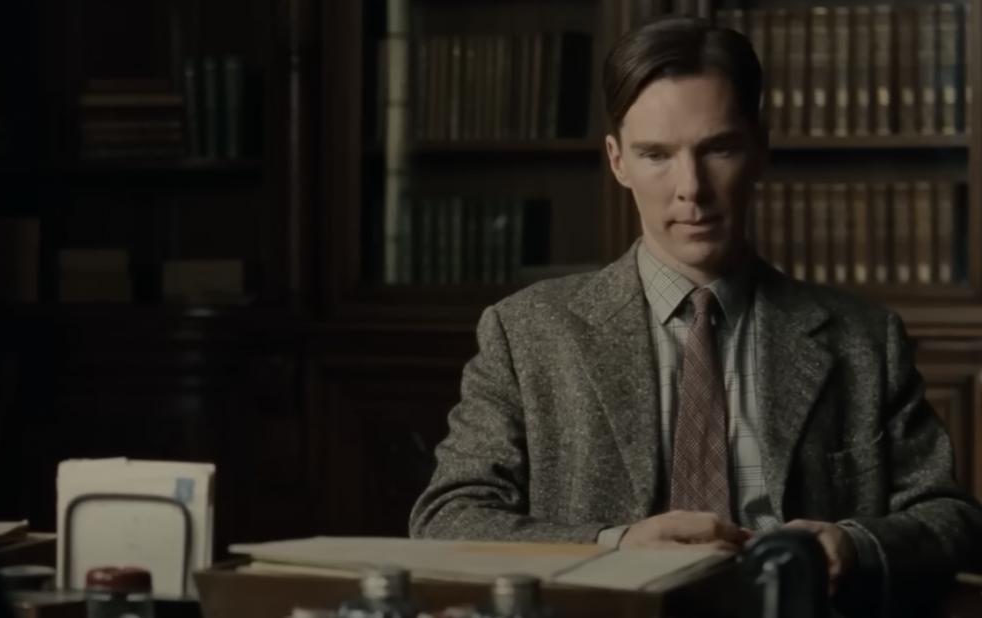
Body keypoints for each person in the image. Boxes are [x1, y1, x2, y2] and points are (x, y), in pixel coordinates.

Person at [408, 14, 982, 618]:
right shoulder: (525, 333)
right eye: (656, 154)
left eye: (719, 148)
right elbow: (450, 517)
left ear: (760, 144)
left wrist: (857, 544)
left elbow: (953, 518)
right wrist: (616, 546)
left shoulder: (865, 339)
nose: (692, 188)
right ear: (617, 161)